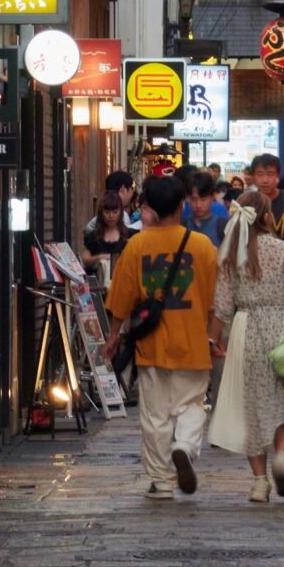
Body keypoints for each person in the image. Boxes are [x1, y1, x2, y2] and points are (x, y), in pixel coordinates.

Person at [102, 174, 219, 499]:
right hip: (193, 342)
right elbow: (215, 299)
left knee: (155, 414)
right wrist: (214, 336)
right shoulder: (202, 246)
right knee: (193, 404)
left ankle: (162, 481)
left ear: (149, 208)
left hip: (151, 344)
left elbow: (121, 297)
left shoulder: (137, 245)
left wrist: (113, 336)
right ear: (182, 205)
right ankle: (184, 445)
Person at [210, 196, 284, 502]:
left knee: (250, 407)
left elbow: (222, 306)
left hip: (246, 330)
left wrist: (214, 341)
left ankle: (259, 482)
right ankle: (281, 454)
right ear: (267, 217)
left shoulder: (231, 256)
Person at [80, 190, 134, 272]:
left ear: (120, 213)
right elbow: (85, 259)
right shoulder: (93, 236)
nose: (111, 216)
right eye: (107, 212)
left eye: (115, 212)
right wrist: (99, 257)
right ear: (101, 213)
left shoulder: (129, 235)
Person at [188, 172, 229, 246]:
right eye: (194, 199)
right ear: (188, 199)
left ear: (212, 197)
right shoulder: (184, 225)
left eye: (203, 199)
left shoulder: (222, 226)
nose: (198, 205)